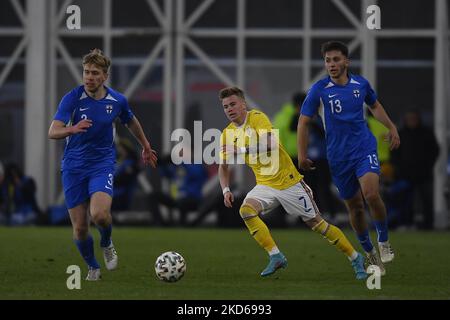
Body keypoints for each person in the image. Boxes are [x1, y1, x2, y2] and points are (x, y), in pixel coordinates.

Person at [218, 86, 367, 280]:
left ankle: (355, 258)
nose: (229, 109)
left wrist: (241, 150)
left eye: (232, 104)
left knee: (318, 224)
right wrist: (226, 190)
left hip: (289, 182)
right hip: (265, 184)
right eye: (225, 106)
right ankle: (275, 255)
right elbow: (223, 166)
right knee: (245, 210)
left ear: (243, 104)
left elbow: (269, 144)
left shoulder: (256, 118)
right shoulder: (227, 134)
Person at [48, 49, 157, 281]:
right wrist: (71, 129)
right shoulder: (72, 98)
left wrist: (146, 146)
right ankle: (93, 267)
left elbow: (131, 121)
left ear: (104, 76)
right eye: (86, 72)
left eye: (94, 73)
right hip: (73, 167)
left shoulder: (117, 100)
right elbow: (53, 131)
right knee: (80, 228)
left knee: (99, 215)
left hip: (102, 164)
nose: (89, 77)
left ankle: (106, 242)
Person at [298, 41, 400, 276]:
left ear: (346, 61)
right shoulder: (319, 89)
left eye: (335, 59)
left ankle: (383, 241)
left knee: (371, 194)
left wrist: (391, 127)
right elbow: (303, 121)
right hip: (338, 156)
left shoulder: (361, 84)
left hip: (364, 148)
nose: (331, 64)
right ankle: (369, 252)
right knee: (355, 208)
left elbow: (374, 106)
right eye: (327, 60)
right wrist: (302, 155)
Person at [391, 109, 439, 229]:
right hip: (406, 174)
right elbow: (394, 152)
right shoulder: (401, 134)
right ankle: (406, 223)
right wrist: (399, 168)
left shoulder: (426, 133)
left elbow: (435, 150)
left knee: (426, 199)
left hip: (424, 174)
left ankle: (428, 225)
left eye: (414, 118)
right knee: (406, 201)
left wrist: (428, 165)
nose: (412, 121)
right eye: (409, 119)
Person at [111, 139, 141, 212]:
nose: (119, 150)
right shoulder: (118, 162)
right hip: (113, 192)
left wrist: (111, 181)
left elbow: (125, 178)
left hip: (122, 194)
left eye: (121, 148)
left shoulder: (130, 163)